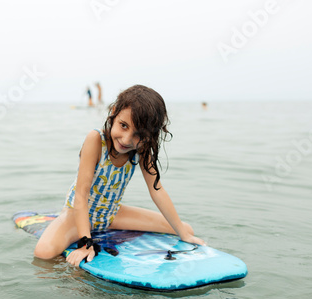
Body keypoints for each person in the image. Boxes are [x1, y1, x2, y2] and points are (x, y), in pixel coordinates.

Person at [34, 85, 206, 266]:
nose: (126, 140)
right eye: (123, 126)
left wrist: (183, 234)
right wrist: (86, 242)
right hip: (77, 214)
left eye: (138, 134)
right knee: (43, 253)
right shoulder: (95, 140)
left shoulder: (141, 150)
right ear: (114, 113)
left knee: (186, 228)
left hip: (111, 214)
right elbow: (81, 195)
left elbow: (157, 190)